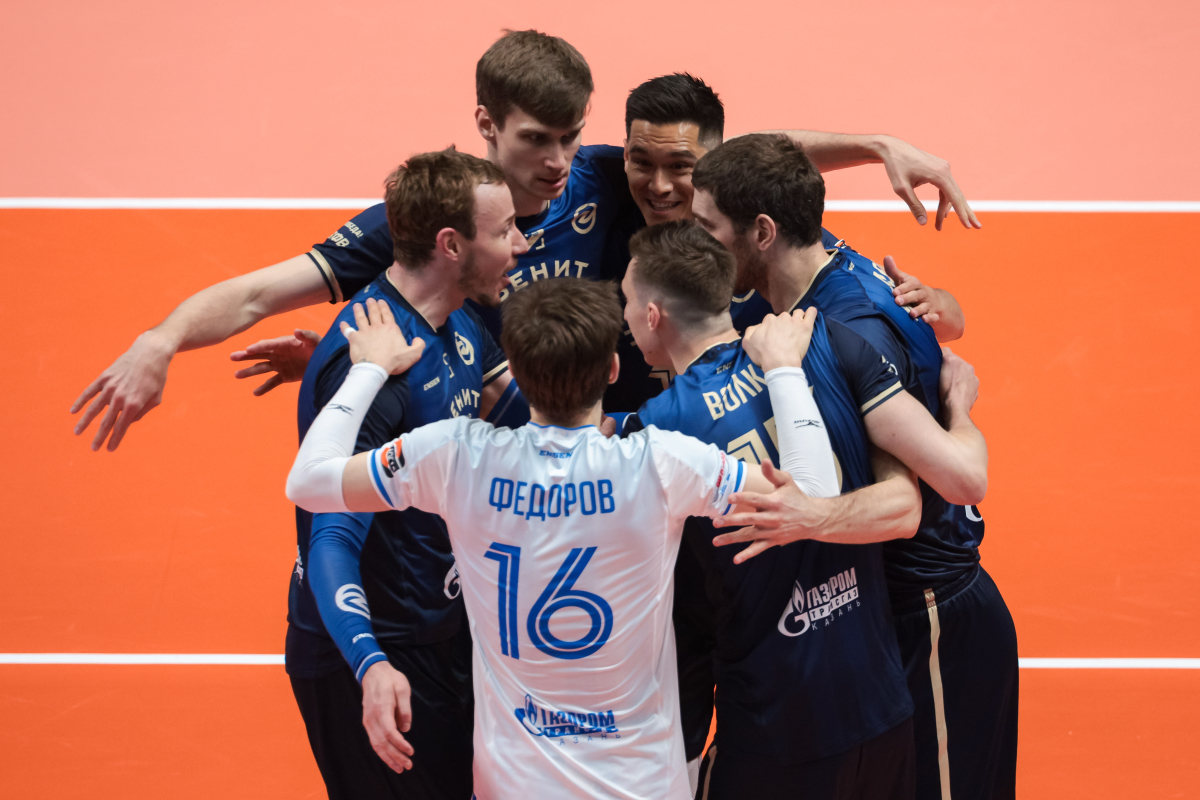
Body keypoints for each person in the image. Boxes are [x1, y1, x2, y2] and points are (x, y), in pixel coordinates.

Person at [70, 33, 979, 452]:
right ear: (486, 125)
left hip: (663, 431)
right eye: (536, 140)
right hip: (533, 449)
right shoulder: (440, 220)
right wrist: (161, 339)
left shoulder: (611, 178)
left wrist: (879, 146)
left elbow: (733, 159)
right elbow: (259, 293)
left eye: (571, 137)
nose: (557, 162)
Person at [285, 279, 843, 799]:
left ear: (515, 371)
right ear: (613, 368)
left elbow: (308, 483)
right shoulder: (662, 462)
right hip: (642, 783)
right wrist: (784, 369)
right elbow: (815, 493)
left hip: (513, 785)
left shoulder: (455, 455)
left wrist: (368, 370)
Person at [619, 220, 994, 799]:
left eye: (625, 300)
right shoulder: (825, 346)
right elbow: (907, 498)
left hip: (776, 726)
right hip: (880, 708)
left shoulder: (656, 430)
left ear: (652, 316)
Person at [690, 134, 1015, 800]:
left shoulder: (849, 328)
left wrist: (959, 408)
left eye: (707, 228)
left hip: (932, 616)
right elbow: (766, 156)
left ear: (762, 232)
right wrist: (874, 144)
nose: (696, 245)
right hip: (873, 616)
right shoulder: (817, 255)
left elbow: (960, 479)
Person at [293, 148, 526, 798]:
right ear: (451, 245)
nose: (521, 244)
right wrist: (369, 663)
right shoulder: (375, 367)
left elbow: (530, 427)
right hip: (376, 652)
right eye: (505, 230)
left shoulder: (460, 319)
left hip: (440, 626)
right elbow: (330, 535)